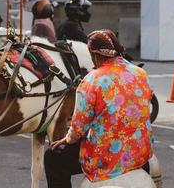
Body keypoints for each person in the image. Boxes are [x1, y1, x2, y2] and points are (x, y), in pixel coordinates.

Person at [44, 29, 154, 188]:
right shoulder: (141, 73)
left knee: (53, 158)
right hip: (140, 151)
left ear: (94, 54)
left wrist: (66, 140)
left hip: (106, 157)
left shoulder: (91, 80)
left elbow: (78, 129)